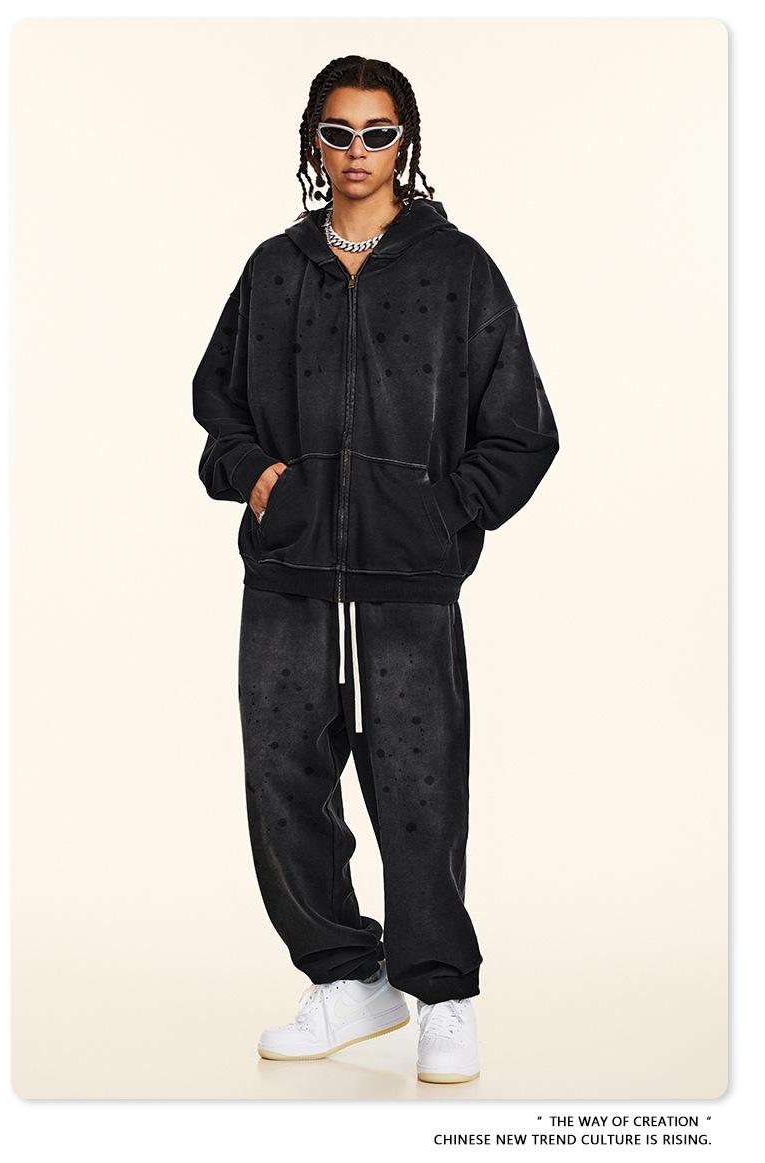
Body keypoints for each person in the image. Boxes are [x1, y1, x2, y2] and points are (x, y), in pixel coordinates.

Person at [192, 54, 559, 1085]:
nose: (358, 151)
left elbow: (522, 431)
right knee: (282, 782)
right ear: (313, 141)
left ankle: (442, 992)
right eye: (340, 131)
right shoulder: (275, 269)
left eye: (379, 132)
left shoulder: (457, 271)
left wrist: (441, 513)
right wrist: (255, 475)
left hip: (408, 586)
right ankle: (348, 979)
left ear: (407, 141)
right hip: (289, 576)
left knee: (419, 788)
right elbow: (217, 405)